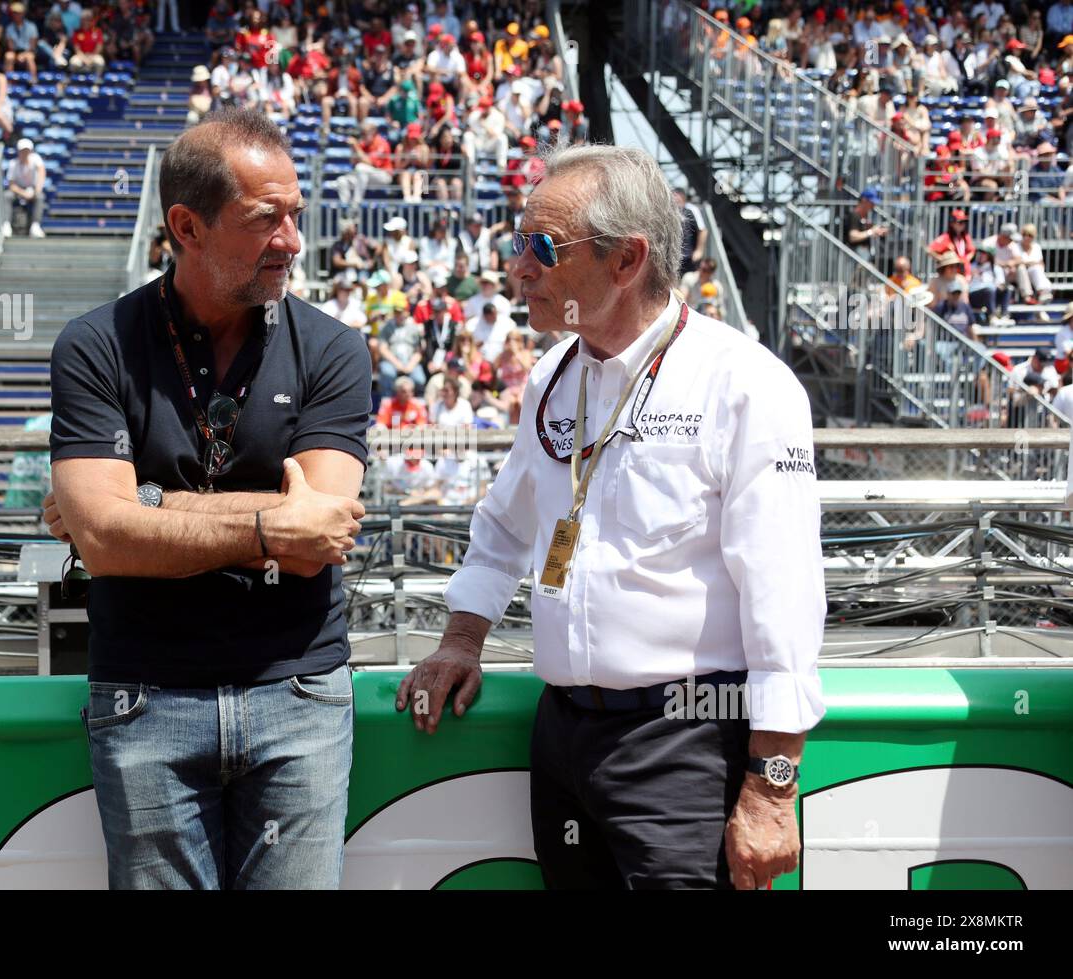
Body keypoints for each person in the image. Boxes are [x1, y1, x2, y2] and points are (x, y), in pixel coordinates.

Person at [396, 144, 824, 890]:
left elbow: (783, 601)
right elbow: (503, 528)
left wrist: (772, 784)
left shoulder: (746, 384)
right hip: (563, 734)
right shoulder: (554, 376)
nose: (518, 269)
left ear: (627, 261)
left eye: (540, 248)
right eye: (516, 243)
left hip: (684, 741)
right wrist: (461, 638)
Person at [42, 108, 370, 891]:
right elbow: (108, 543)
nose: (291, 240)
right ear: (186, 226)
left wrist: (144, 504)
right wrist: (262, 521)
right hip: (145, 694)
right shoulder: (95, 345)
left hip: (298, 690)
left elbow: (319, 531)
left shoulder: (333, 347)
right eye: (265, 220)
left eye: (296, 214)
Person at [5, 138, 47, 238]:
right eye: (22, 151)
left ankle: (35, 226)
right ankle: (6, 225)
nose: (25, 153)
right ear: (19, 152)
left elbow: (42, 173)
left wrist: (37, 190)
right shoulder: (13, 164)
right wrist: (23, 193)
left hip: (33, 188)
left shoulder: (36, 159)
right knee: (7, 195)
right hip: (18, 191)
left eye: (27, 151)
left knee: (40, 197)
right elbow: (11, 185)